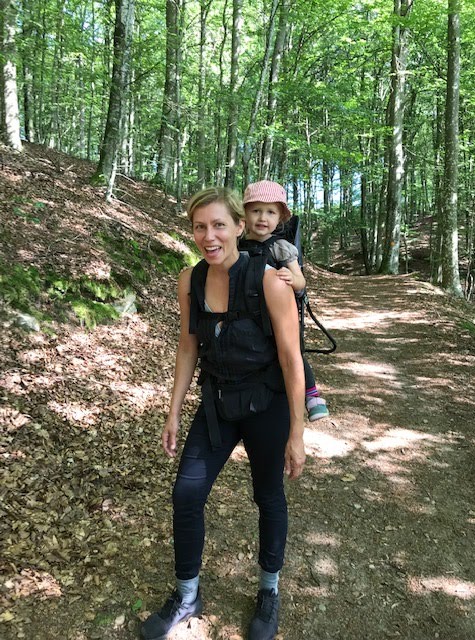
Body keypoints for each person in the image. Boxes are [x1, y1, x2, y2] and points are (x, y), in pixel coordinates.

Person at [141, 187, 306, 640]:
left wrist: (297, 432)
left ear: (238, 226)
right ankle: (187, 595)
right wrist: (173, 411)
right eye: (199, 227)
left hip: (266, 404)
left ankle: (268, 591)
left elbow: (291, 359)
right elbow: (188, 347)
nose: (208, 236)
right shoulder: (189, 280)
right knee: (186, 494)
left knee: (268, 495)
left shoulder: (270, 281)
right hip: (216, 404)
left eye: (218, 225)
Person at [242, 179, 329, 422]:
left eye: (270, 212)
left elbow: (301, 282)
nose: (263, 217)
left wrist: (292, 278)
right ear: (244, 214)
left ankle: (311, 395)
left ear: (280, 218)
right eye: (256, 210)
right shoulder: (237, 245)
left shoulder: (280, 247)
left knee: (293, 351)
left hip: (279, 313)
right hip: (249, 311)